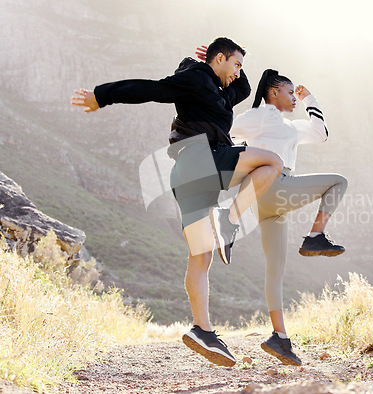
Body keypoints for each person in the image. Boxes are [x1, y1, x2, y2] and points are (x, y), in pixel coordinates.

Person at [71, 38, 283, 367]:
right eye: (236, 63)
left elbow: (243, 88)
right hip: (201, 159)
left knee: (201, 257)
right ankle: (230, 219)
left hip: (187, 176)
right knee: (272, 162)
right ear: (220, 59)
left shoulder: (220, 91)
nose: (238, 72)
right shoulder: (196, 79)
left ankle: (202, 329)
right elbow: (149, 89)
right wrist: (102, 95)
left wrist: (230, 69)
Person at [230, 69, 348, 365]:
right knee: (338, 182)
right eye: (290, 92)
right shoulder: (260, 115)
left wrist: (311, 100)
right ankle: (314, 237)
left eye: (296, 94)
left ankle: (279, 338)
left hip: (269, 206)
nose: (294, 97)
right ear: (272, 93)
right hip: (272, 185)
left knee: (275, 270)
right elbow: (228, 127)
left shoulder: (290, 127)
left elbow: (320, 134)